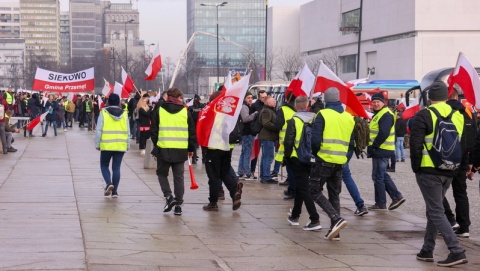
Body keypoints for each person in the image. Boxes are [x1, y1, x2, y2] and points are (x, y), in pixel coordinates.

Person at [410, 81, 467, 267]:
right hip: (449, 169)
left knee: (436, 211)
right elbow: (462, 143)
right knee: (434, 210)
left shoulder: (424, 115)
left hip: (429, 170)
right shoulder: (458, 115)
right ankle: (427, 249)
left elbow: (416, 145)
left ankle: (456, 250)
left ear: (429, 97)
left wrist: (416, 167)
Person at [310, 87, 353, 240]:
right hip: (340, 161)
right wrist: (345, 158)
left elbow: (315, 140)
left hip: (324, 159)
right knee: (334, 194)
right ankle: (336, 231)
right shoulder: (348, 117)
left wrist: (316, 154)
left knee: (314, 190)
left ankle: (336, 218)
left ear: (326, 100)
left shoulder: (322, 114)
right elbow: (351, 143)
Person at [150, 88, 196, 216]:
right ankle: (178, 204)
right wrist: (191, 149)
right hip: (181, 149)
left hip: (163, 148)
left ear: (168, 97)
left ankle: (169, 196)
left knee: (161, 173)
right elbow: (191, 132)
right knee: (179, 177)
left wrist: (157, 144)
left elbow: (154, 130)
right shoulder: (185, 111)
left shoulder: (159, 110)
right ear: (179, 97)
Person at [202, 91, 244, 212]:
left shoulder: (212, 113)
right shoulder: (228, 112)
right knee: (224, 173)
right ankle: (234, 191)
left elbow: (206, 129)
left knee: (213, 176)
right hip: (226, 147)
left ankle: (213, 202)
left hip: (214, 147)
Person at [442, 88, 476, 238]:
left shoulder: (445, 111)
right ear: (457, 96)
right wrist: (470, 161)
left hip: (448, 157)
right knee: (461, 192)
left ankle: (449, 220)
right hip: (463, 158)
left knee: (437, 191)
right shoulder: (469, 113)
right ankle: (464, 227)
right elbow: (472, 139)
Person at [283, 96, 320, 230]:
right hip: (310, 158)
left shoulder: (294, 120)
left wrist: (286, 157)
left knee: (304, 188)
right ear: (307, 106)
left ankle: (314, 219)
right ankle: (295, 215)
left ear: (295, 106)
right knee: (301, 186)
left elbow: (288, 141)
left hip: (296, 157)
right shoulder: (315, 118)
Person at [367, 92, 405, 210]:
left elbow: (384, 132)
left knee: (378, 176)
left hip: (381, 149)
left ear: (384, 102)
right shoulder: (379, 114)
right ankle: (395, 197)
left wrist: (374, 146)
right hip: (381, 149)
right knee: (380, 174)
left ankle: (381, 203)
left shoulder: (386, 114)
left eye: (378, 101)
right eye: (374, 102)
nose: (376, 104)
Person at [95, 93, 130, 198]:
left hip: (107, 144)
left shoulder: (104, 113)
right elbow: (128, 131)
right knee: (116, 168)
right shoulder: (124, 114)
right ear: (119, 102)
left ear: (108, 102)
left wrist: (97, 144)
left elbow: (99, 130)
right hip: (120, 144)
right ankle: (115, 192)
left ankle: (109, 183)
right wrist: (127, 144)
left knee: (104, 165)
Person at [274, 92, 296, 198]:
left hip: (286, 142)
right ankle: (294, 189)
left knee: (290, 168)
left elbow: (278, 124)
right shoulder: (302, 109)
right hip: (299, 144)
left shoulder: (283, 109)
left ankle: (292, 190)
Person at [237, 91, 258, 178]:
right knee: (247, 153)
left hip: (247, 133)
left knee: (244, 152)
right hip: (247, 133)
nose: (250, 99)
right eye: (248, 98)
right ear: (244, 98)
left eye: (251, 98)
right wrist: (255, 114)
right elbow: (245, 119)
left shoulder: (246, 106)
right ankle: (247, 172)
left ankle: (241, 171)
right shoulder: (244, 107)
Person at [258, 96, 278, 184]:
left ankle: (264, 175)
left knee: (265, 157)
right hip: (267, 137)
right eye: (273, 101)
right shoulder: (267, 111)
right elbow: (266, 123)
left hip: (268, 137)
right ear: (268, 103)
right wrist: (276, 127)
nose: (275, 102)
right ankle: (266, 176)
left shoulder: (269, 110)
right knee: (268, 157)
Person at [249, 89, 267, 179]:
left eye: (265, 97)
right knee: (255, 153)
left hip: (266, 132)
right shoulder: (255, 106)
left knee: (265, 154)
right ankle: (252, 170)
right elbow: (252, 118)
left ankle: (263, 172)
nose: (264, 98)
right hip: (257, 132)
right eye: (262, 97)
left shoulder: (267, 104)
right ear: (259, 97)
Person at [188, 94, 205, 164]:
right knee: (203, 143)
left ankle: (194, 158)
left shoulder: (191, 108)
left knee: (194, 143)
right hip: (201, 126)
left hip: (193, 127)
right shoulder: (202, 106)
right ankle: (204, 158)